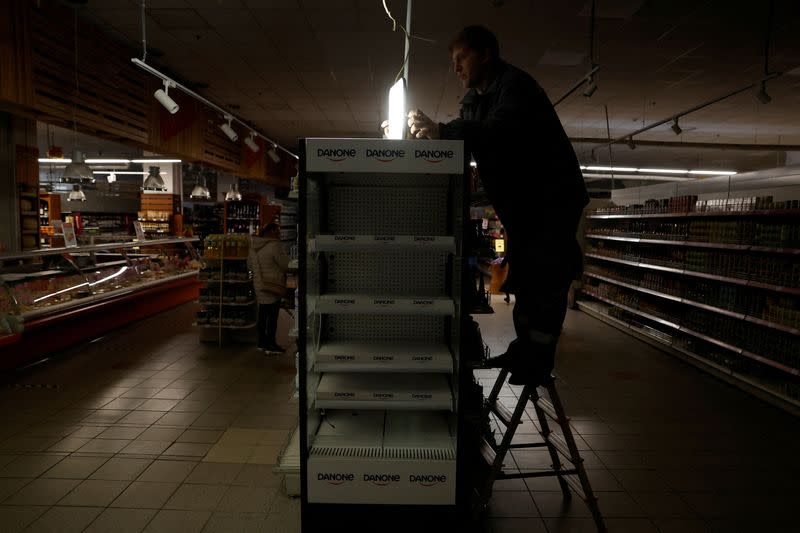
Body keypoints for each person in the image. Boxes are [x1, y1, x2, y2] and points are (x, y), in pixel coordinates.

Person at [407, 25, 589, 386]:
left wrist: (444, 131)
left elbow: (498, 132)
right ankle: (525, 349)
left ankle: (538, 360)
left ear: (486, 54)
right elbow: (469, 135)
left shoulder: (515, 87)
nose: (456, 68)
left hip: (551, 202)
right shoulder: (475, 99)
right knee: (525, 278)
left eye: (462, 59)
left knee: (547, 278)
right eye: (453, 61)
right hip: (524, 208)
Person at [248, 223, 290, 354]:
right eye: (277, 231)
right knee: (272, 315)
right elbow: (285, 265)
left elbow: (249, 265)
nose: (279, 233)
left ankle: (262, 342)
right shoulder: (274, 246)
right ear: (271, 231)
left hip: (259, 284)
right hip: (272, 285)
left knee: (263, 314)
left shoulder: (253, 246)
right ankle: (271, 345)